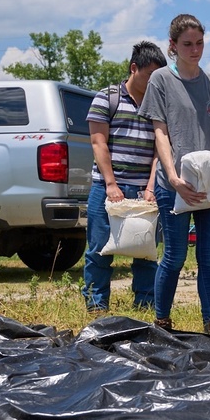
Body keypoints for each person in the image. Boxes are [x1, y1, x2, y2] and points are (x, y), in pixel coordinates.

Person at [139, 14, 210, 336]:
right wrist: (172, 177)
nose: (194, 50)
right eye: (187, 44)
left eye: (199, 43)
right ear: (173, 46)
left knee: (209, 257)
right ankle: (162, 321)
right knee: (175, 255)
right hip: (175, 183)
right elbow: (160, 132)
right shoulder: (160, 81)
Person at [82, 41, 167, 313]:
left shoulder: (159, 104)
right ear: (134, 68)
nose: (154, 82)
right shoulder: (106, 97)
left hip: (146, 190)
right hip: (106, 188)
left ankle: (145, 304)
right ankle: (96, 305)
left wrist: (152, 185)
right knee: (99, 249)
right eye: (149, 75)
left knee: (146, 251)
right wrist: (111, 184)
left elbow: (160, 150)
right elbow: (99, 143)